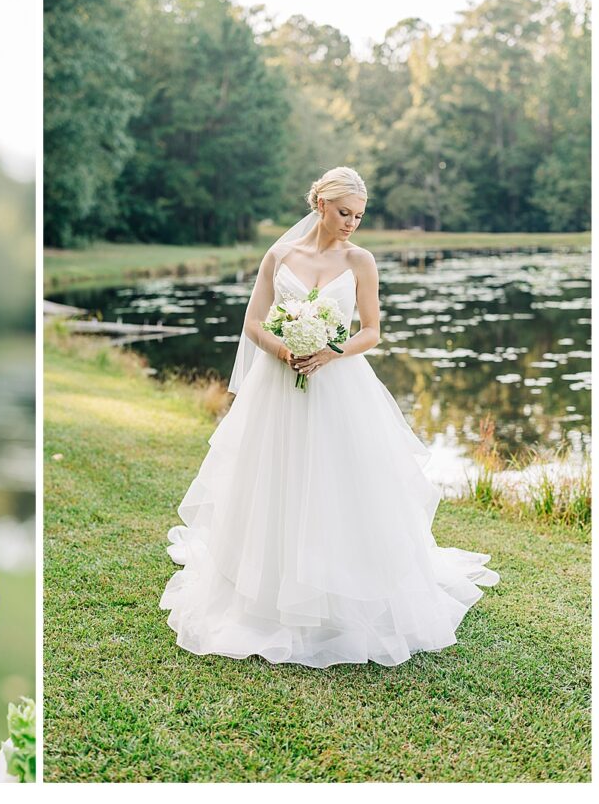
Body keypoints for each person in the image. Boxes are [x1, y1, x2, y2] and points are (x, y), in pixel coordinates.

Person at [160, 167, 497, 666]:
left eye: (359, 216)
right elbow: (253, 322)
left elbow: (371, 331)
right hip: (279, 386)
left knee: (338, 482)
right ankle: (267, 591)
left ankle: (342, 588)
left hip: (338, 383)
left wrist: (328, 351)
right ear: (321, 205)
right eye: (344, 213)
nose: (351, 223)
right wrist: (282, 347)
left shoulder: (360, 261)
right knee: (275, 479)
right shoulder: (280, 256)